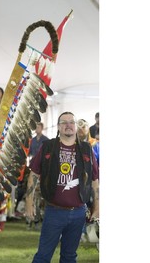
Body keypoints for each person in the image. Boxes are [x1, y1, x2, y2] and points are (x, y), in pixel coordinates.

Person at [25, 111, 99, 263]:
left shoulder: (86, 149)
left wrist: (97, 207)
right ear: (58, 127)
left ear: (75, 126)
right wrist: (28, 203)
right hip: (54, 212)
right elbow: (33, 176)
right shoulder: (48, 147)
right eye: (64, 123)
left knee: (69, 256)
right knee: (43, 256)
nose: (68, 125)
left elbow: (94, 180)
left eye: (71, 122)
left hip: (78, 212)